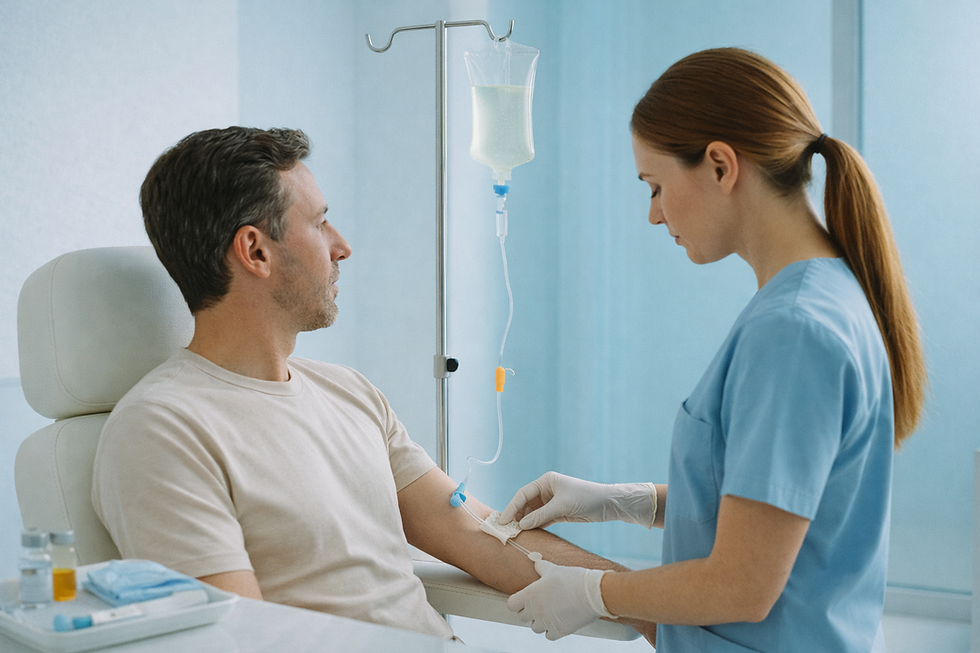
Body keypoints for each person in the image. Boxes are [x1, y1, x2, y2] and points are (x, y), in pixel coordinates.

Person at [90, 126, 655, 641]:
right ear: (256, 251)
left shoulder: (349, 393)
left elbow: (479, 535)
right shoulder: (163, 430)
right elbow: (236, 639)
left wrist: (650, 612)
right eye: (319, 223)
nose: (342, 245)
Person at [502, 47, 927, 652]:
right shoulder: (825, 296)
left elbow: (742, 585)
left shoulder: (793, 331)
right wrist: (625, 502)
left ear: (722, 166)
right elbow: (776, 514)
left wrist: (596, 593)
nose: (653, 215)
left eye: (655, 187)